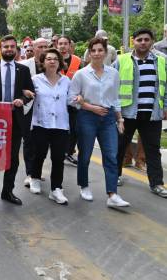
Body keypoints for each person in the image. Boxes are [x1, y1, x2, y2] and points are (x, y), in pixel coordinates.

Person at [69, 38, 130, 207]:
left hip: (109, 117)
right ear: (89, 53)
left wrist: (120, 118)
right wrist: (88, 106)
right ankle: (84, 185)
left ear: (105, 52)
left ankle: (112, 195)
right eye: (93, 50)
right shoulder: (81, 74)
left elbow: (115, 98)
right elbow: (71, 99)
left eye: (100, 50)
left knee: (111, 155)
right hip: (87, 117)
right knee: (85, 155)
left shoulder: (113, 73)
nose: (96, 53)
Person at [114, 29, 167, 198]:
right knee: (120, 146)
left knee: (153, 150)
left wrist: (165, 107)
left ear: (152, 42)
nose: (142, 42)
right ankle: (114, 176)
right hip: (127, 114)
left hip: (152, 114)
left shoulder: (162, 61)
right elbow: (111, 85)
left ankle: (157, 183)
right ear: (133, 42)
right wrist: (115, 111)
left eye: (146, 39)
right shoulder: (121, 60)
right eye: (139, 39)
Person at [0, 35, 34, 205]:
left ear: (16, 49)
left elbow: (30, 92)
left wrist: (23, 99)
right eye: (6, 47)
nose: (9, 49)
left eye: (12, 46)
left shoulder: (24, 70)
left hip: (15, 119)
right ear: (0, 48)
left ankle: (7, 191)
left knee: (12, 157)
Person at [28, 49, 70, 204]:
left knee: (58, 158)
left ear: (60, 62)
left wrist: (79, 98)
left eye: (55, 59)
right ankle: (35, 178)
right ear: (43, 63)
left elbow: (71, 100)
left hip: (61, 125)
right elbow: (27, 97)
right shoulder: (35, 80)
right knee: (39, 154)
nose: (52, 61)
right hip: (41, 123)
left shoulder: (66, 81)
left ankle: (56, 189)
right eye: (49, 59)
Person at [57, 35, 81, 167]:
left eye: (65, 43)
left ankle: (69, 152)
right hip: (57, 100)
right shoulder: (52, 60)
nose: (62, 46)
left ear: (70, 45)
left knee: (74, 128)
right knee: (60, 129)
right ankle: (60, 152)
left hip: (73, 100)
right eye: (60, 43)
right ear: (56, 45)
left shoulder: (78, 61)